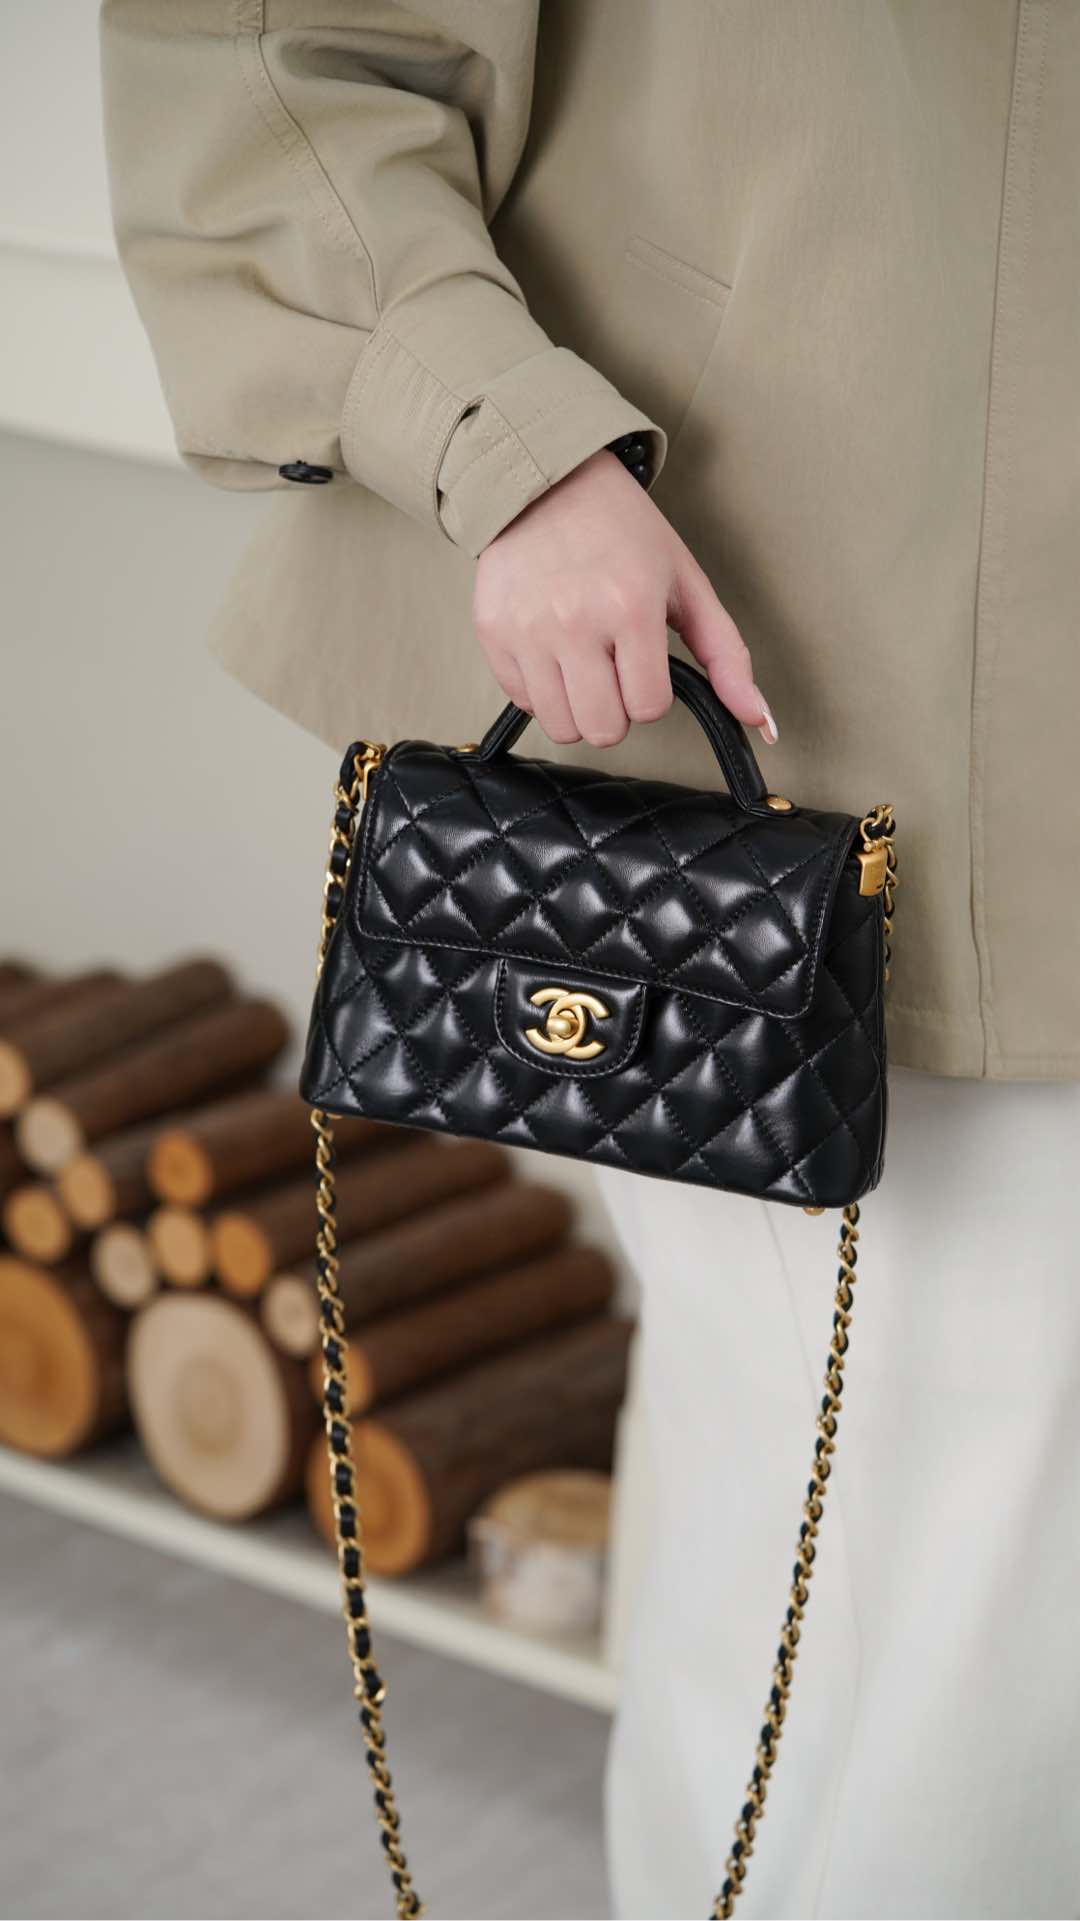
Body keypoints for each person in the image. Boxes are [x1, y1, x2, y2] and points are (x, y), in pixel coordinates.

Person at [101, 3, 1080, 1914]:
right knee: (965, 1561)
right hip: (832, 645)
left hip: (923, 665)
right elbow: (275, 48)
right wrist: (517, 452)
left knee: (838, 1515)